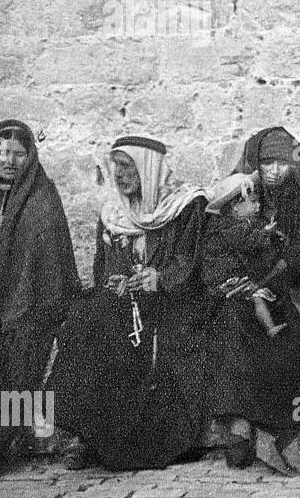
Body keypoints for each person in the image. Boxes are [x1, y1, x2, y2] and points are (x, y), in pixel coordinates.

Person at [49, 135, 213, 471]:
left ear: (147, 167)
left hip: (174, 305)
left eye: (127, 167)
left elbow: (193, 262)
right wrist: (119, 280)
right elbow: (104, 266)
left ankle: (135, 443)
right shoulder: (113, 213)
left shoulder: (186, 206)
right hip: (130, 305)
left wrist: (160, 278)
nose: (119, 175)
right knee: (88, 327)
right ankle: (88, 435)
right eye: (116, 167)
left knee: (155, 347)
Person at [0, 120, 79, 487]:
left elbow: (52, 266)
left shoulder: (43, 198)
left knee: (23, 345)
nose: (8, 160)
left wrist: (37, 307)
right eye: (1, 151)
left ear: (29, 157)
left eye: (18, 154)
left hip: (27, 302)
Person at [205, 127, 300, 474]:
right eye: (265, 162)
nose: (273, 171)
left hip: (281, 288)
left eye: (281, 163)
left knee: (284, 337)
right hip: (233, 294)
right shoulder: (239, 194)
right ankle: (241, 425)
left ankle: (279, 430)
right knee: (233, 325)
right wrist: (234, 283)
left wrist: (269, 277)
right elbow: (215, 249)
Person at [202, 173, 289, 339]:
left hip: (233, 274)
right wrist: (265, 233)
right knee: (257, 295)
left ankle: (270, 327)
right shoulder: (229, 227)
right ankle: (269, 328)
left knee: (259, 293)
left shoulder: (243, 224)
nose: (258, 206)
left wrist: (271, 235)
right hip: (221, 278)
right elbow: (248, 241)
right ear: (236, 206)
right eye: (253, 201)